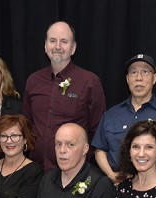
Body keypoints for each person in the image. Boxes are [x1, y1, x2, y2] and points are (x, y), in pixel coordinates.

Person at [92, 54, 156, 182]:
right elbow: (100, 150)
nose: (139, 78)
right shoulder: (111, 115)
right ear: (127, 79)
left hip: (151, 189)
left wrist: (145, 180)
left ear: (154, 78)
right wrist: (112, 175)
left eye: (145, 72)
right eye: (133, 72)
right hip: (114, 187)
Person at [23, 21, 107, 171]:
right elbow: (26, 125)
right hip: (35, 171)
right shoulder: (33, 81)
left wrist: (82, 162)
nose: (57, 47)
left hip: (73, 173)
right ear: (45, 45)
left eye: (64, 41)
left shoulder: (89, 82)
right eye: (52, 41)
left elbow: (98, 130)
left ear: (73, 48)